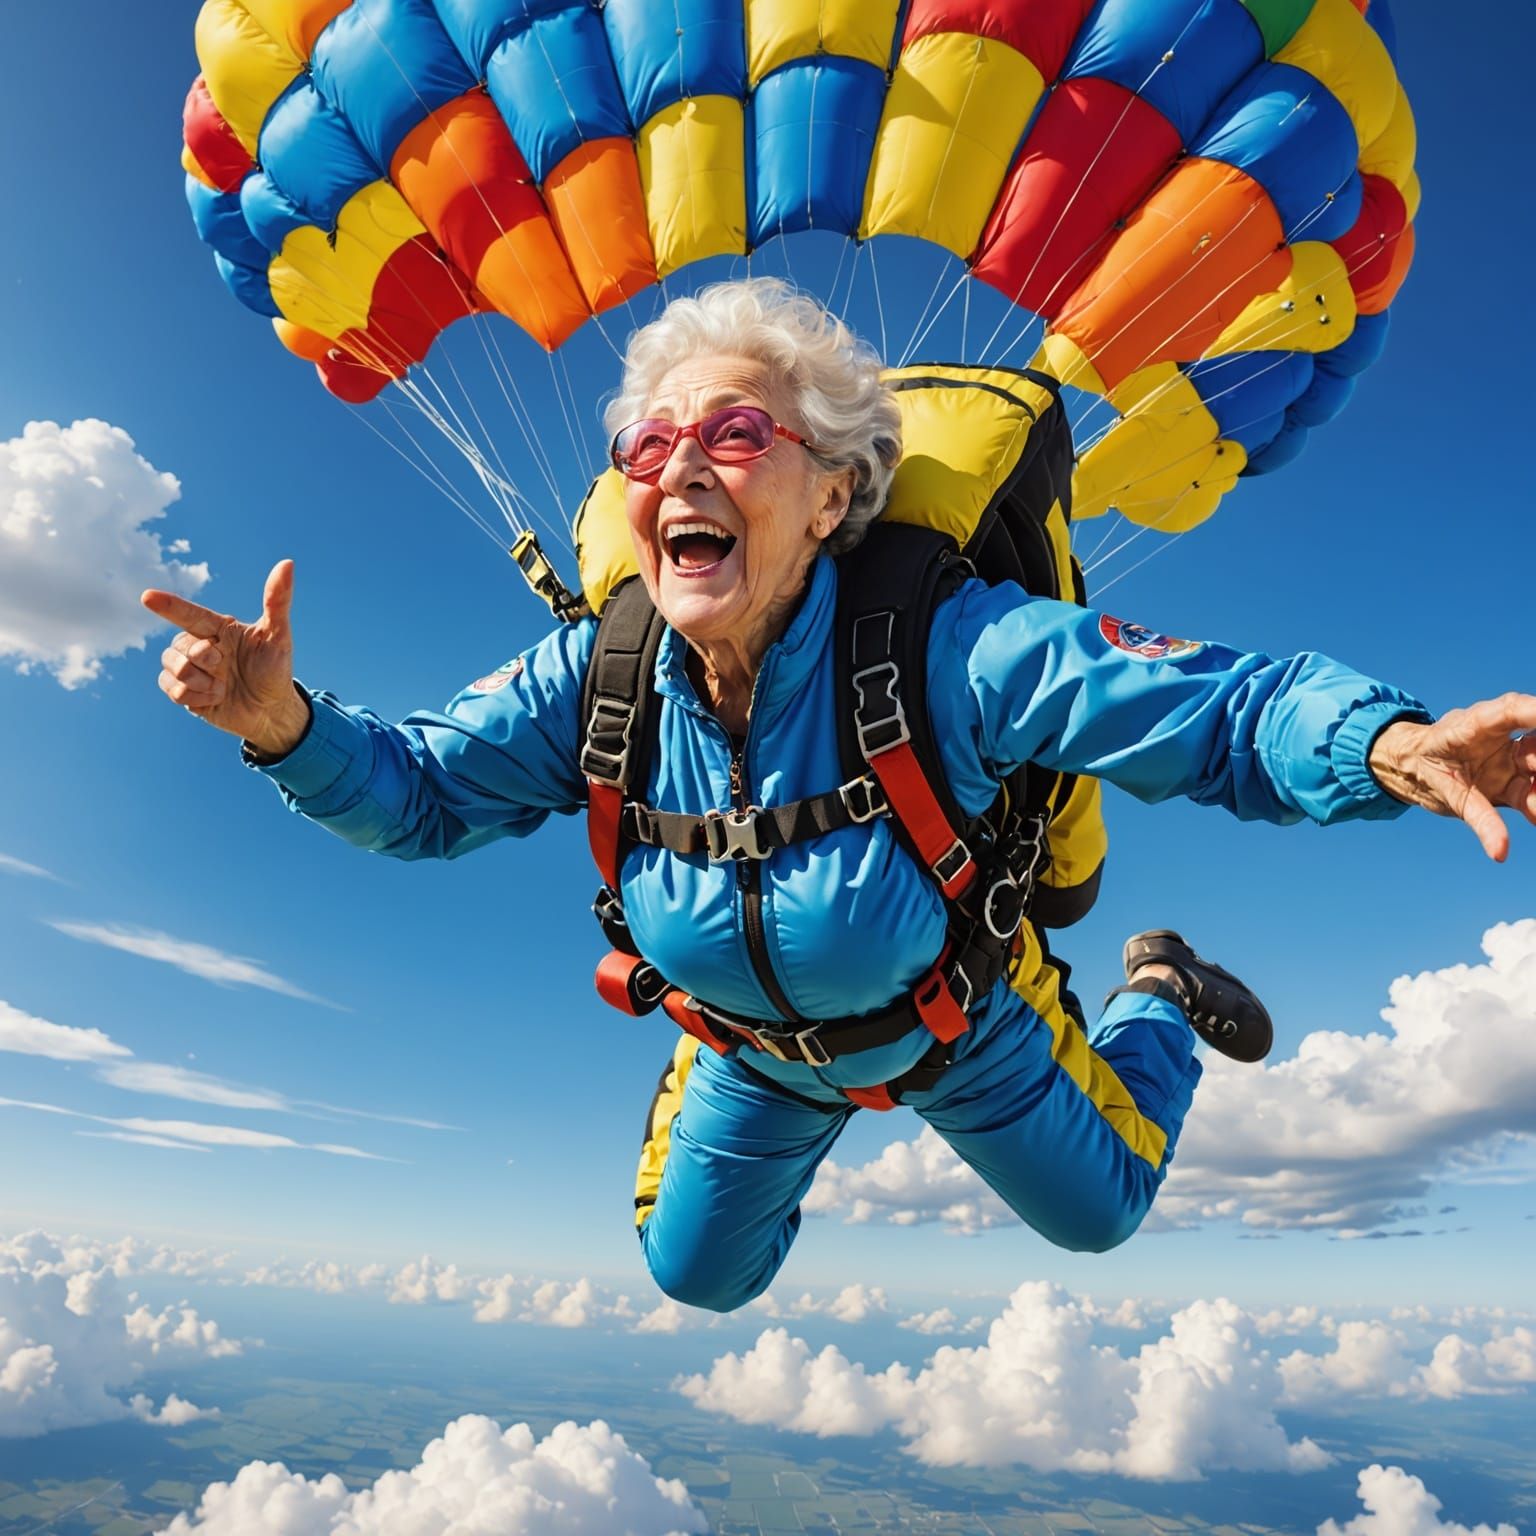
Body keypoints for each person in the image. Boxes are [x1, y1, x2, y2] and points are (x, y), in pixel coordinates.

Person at [143, 280, 1536, 1314]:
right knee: (695, 1278)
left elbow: (1220, 710)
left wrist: (1382, 746)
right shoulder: (601, 676)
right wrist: (285, 727)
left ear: (835, 494)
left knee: (1101, 1217)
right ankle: (749, 1052)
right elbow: (423, 793)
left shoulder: (955, 651)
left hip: (956, 1022)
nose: (679, 464)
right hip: (751, 1047)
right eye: (647, 448)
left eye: (738, 433)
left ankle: (1159, 992)